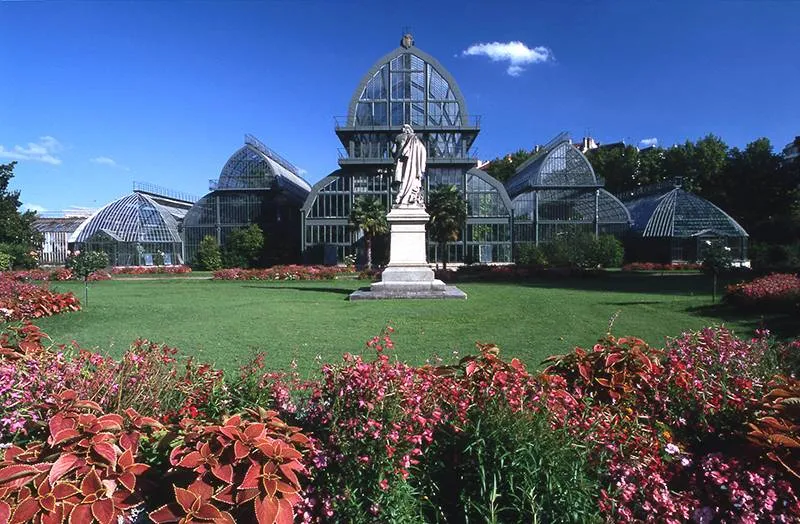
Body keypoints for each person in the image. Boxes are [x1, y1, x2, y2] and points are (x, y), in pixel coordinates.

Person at [392, 124, 427, 207]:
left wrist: (397, 155)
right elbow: (423, 152)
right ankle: (409, 197)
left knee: (402, 180)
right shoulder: (417, 140)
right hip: (415, 167)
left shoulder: (399, 137)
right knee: (412, 181)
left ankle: (401, 197)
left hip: (402, 164)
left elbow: (393, 150)